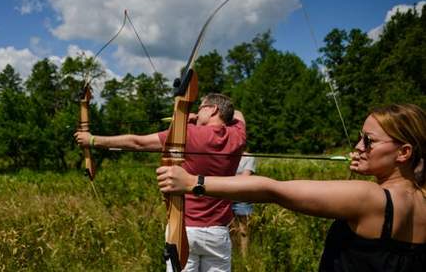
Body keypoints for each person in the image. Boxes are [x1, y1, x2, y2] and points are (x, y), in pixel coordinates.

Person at [157, 104, 426, 271]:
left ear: (403, 152)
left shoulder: (370, 197)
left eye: (368, 141)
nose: (357, 147)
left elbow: (273, 190)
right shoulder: (421, 199)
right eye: (359, 138)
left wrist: (193, 182)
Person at [75, 93, 246, 272]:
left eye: (201, 107)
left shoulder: (186, 133)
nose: (197, 111)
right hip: (218, 234)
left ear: (213, 110)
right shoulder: (238, 135)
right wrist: (202, 116)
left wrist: (93, 140)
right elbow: (238, 114)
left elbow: (137, 143)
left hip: (183, 230)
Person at [230, 155, 256, 257]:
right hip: (225, 197)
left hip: (242, 199)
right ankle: (232, 254)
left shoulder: (249, 158)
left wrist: (226, 178)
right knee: (230, 229)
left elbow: (245, 178)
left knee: (243, 230)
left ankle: (244, 257)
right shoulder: (228, 156)